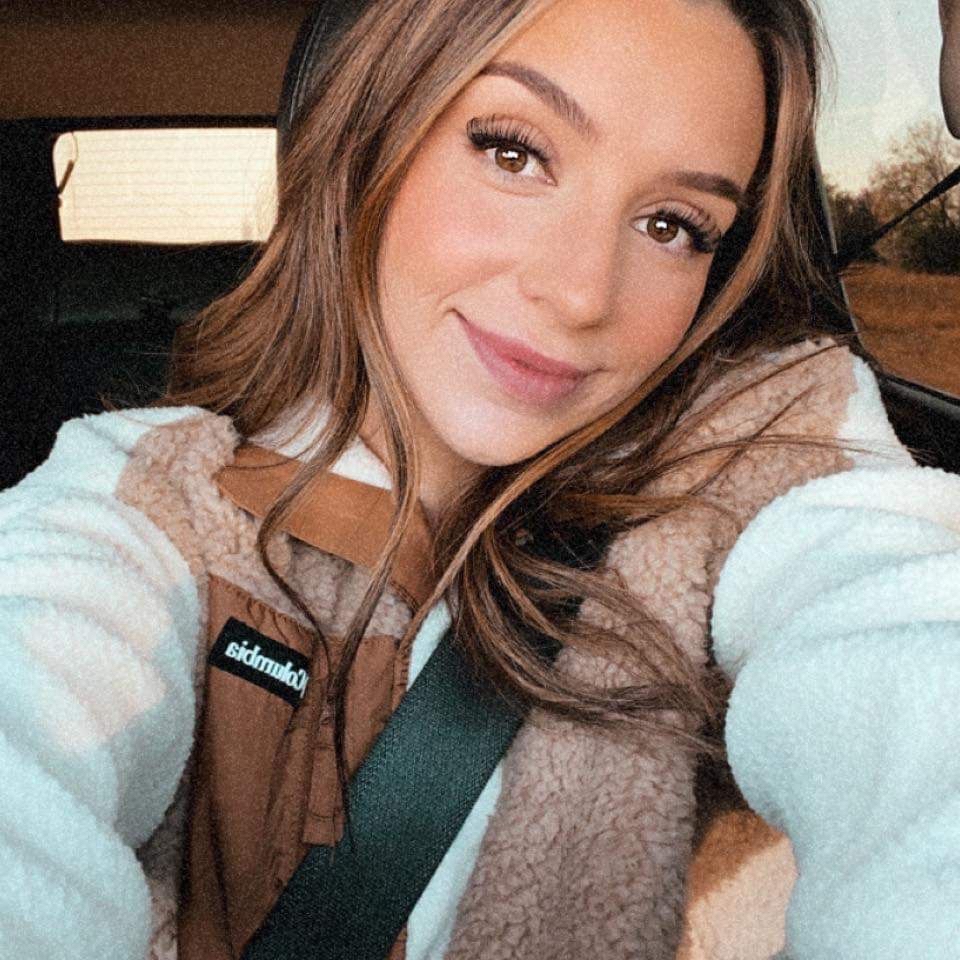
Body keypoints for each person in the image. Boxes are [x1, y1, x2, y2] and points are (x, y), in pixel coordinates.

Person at [1, 0, 959, 958]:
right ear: (368, 133)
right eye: (514, 153)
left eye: (672, 225)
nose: (581, 294)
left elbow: (904, 657)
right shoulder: (142, 498)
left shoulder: (744, 473)